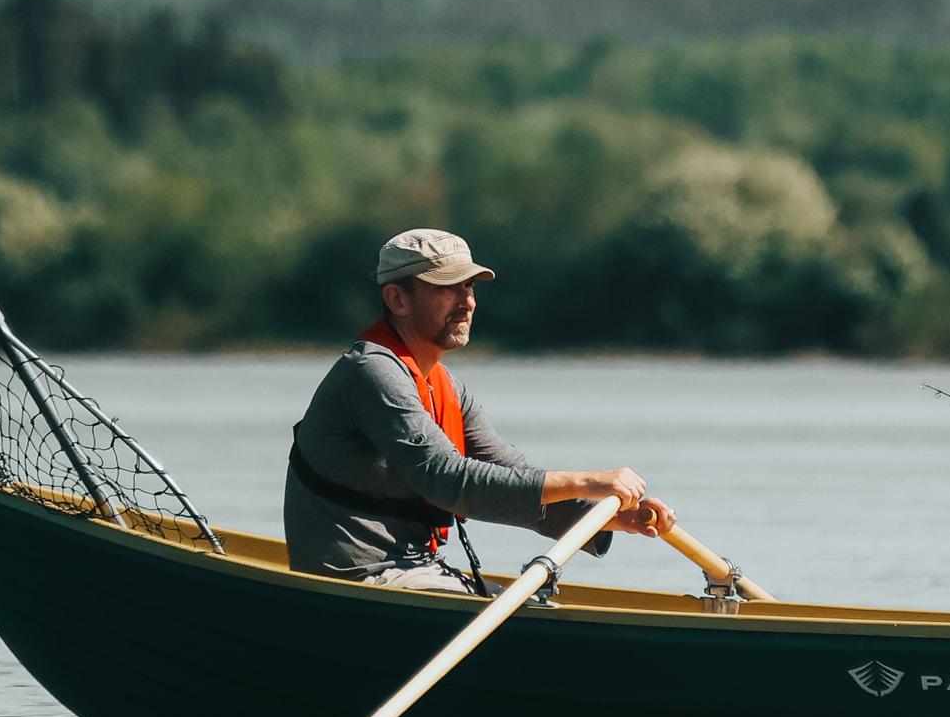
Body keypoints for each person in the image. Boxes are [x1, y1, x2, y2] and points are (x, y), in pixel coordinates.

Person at [282, 227, 676, 585]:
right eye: (448, 287)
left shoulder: (446, 385)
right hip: (360, 576)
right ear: (397, 299)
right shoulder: (371, 373)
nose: (467, 302)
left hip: (416, 569)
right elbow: (448, 480)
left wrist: (603, 517)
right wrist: (589, 480)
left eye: (470, 286)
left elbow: (508, 473)